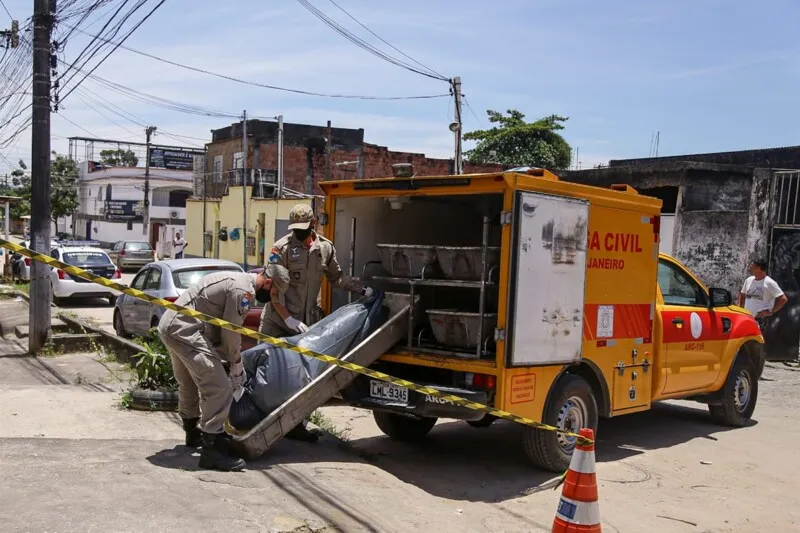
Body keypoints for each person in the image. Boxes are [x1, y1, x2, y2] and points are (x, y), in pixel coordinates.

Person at [158, 263, 290, 472]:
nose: (273, 298)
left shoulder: (237, 280)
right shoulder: (244, 292)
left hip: (172, 325)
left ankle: (193, 432)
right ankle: (211, 450)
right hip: (185, 330)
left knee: (189, 382)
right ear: (268, 282)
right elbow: (230, 332)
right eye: (274, 292)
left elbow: (219, 325)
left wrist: (226, 357)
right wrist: (236, 364)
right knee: (219, 387)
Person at [259, 203, 372, 442]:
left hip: (306, 323)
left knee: (302, 376)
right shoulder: (280, 249)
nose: (298, 233)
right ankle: (260, 419)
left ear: (313, 224)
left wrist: (362, 288)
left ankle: (296, 425)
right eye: (295, 228)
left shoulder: (325, 248)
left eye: (303, 228)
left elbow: (337, 277)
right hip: (277, 320)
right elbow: (274, 290)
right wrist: (287, 318)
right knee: (265, 370)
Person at [739, 259, 788, 329]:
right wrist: (741, 311)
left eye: (752, 267)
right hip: (747, 318)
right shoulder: (748, 280)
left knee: (759, 339)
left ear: (758, 269)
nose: (749, 267)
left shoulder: (769, 283)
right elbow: (743, 295)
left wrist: (771, 311)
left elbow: (783, 299)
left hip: (760, 320)